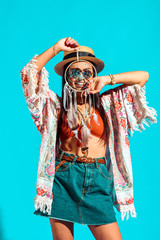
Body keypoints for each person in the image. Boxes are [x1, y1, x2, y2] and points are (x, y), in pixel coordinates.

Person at [20, 37, 157, 240]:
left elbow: (143, 76)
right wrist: (57, 48)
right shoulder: (55, 107)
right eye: (75, 72)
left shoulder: (109, 104)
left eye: (87, 72)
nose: (81, 78)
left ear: (93, 75)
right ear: (66, 76)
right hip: (64, 178)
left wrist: (108, 79)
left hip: (98, 178)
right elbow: (27, 75)